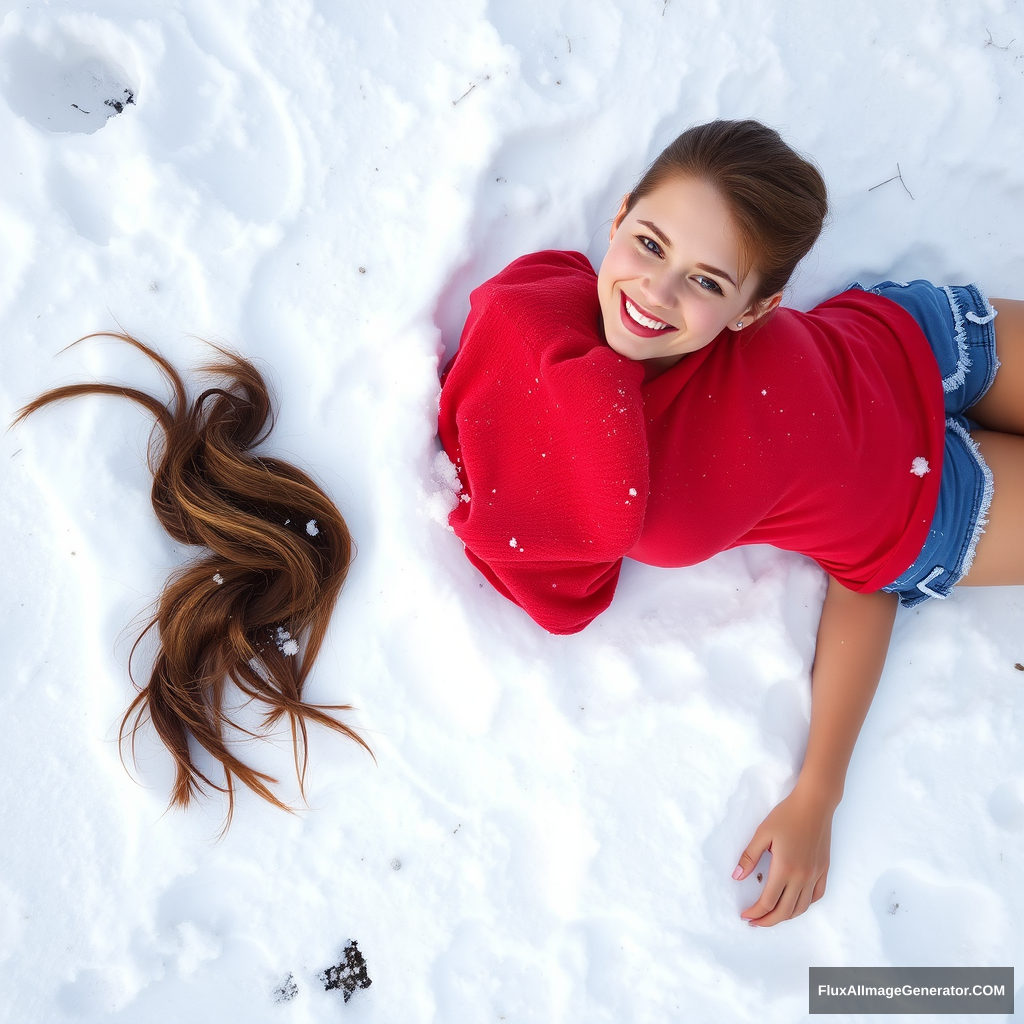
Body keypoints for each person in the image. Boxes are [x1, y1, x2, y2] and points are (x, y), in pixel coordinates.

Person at [437, 119, 1024, 927]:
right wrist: (819, 789)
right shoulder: (633, 493)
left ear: (757, 310)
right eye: (648, 244)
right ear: (618, 219)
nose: (656, 293)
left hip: (918, 343)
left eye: (708, 282)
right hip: (930, 513)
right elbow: (861, 579)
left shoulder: (565, 304)